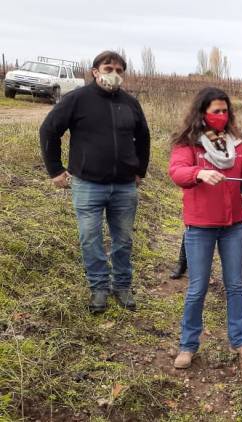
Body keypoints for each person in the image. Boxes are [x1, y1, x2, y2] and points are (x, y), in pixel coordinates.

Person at [168, 87, 242, 369]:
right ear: (202, 113)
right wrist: (199, 173)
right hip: (200, 227)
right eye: (216, 111)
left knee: (234, 285)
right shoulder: (188, 145)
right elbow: (177, 172)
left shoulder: (236, 145)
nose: (222, 116)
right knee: (197, 287)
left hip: (233, 226)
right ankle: (187, 345)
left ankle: (240, 340)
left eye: (225, 111)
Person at [39, 50, 150, 314]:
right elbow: (49, 130)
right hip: (87, 185)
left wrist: (140, 170)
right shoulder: (77, 99)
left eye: (119, 70)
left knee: (123, 239)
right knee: (90, 238)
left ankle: (122, 286)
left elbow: (143, 137)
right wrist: (55, 170)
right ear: (95, 71)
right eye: (108, 68)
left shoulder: (130, 103)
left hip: (124, 186)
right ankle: (99, 287)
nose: (114, 74)